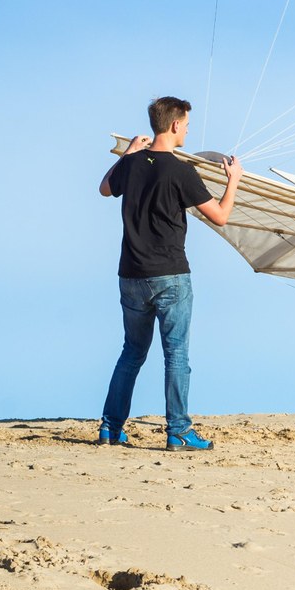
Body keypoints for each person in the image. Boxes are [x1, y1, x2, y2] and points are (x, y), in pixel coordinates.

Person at [97, 96, 242, 450]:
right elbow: (221, 216)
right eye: (188, 124)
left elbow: (104, 188)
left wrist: (129, 153)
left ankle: (110, 428)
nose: (189, 130)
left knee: (131, 352)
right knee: (176, 354)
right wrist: (233, 180)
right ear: (175, 125)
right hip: (170, 275)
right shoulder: (180, 170)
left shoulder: (130, 165)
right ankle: (177, 431)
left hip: (130, 273)